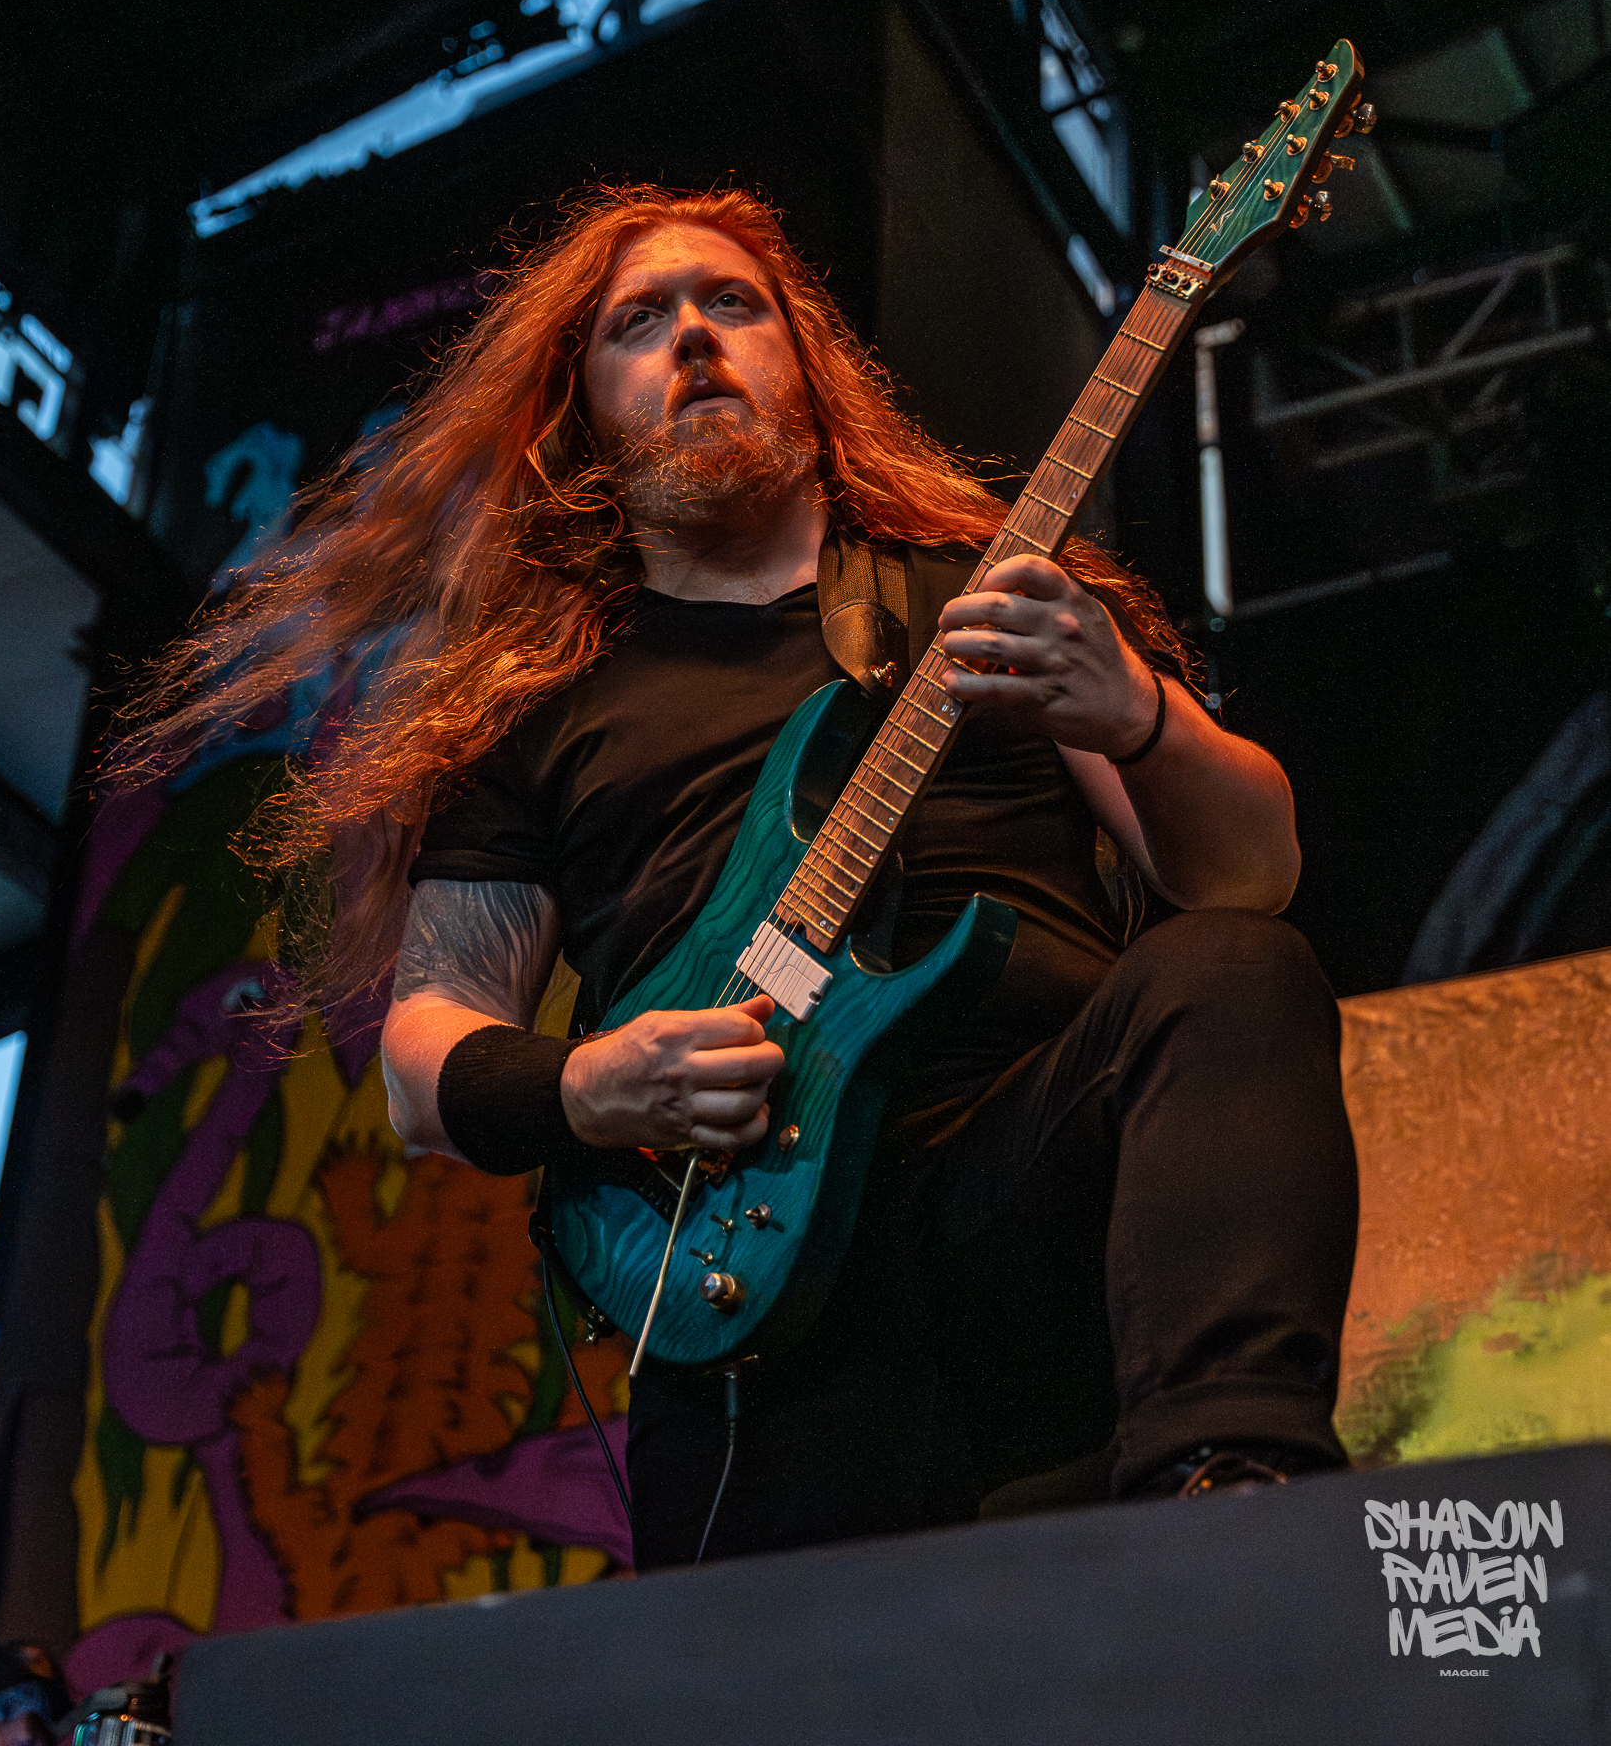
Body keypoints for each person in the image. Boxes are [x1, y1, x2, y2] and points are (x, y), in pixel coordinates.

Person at [120, 185, 1358, 1572]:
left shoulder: (987, 598)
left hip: (1037, 1190)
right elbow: (424, 1062)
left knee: (1231, 970)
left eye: (731, 303)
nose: (692, 339)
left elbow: (1249, 878)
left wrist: (1132, 710)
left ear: (806, 362)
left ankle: (1241, 1498)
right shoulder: (534, 714)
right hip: (750, 1276)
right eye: (636, 324)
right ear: (581, 412)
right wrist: (594, 1083)